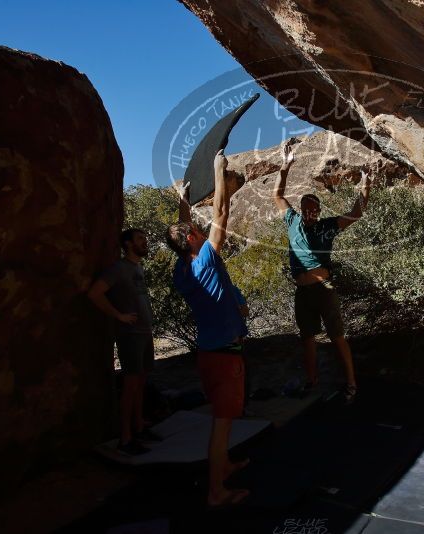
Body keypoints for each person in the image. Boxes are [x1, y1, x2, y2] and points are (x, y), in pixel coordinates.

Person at [165, 150, 250, 507]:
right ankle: (216, 492)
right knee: (222, 424)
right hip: (225, 357)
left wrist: (184, 201)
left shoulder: (183, 272)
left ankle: (225, 466)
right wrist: (220, 173)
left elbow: (182, 235)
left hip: (208, 354)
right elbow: (222, 213)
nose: (201, 231)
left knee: (223, 418)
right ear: (193, 240)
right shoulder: (206, 260)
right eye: (197, 231)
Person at [272, 140, 373, 403]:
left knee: (337, 336)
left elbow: (356, 213)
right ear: (301, 209)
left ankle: (351, 382)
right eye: (307, 209)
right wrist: (285, 167)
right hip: (302, 291)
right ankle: (312, 380)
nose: (310, 213)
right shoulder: (292, 220)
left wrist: (366, 185)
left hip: (323, 289)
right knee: (308, 338)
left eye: (314, 209)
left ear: (318, 211)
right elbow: (277, 196)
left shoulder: (327, 226)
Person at [88, 228, 157, 455]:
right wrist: (119, 316)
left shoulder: (137, 268)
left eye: (145, 239)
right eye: (140, 239)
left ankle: (139, 426)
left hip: (144, 333)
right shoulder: (118, 269)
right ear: (128, 244)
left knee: (141, 382)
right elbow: (95, 293)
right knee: (130, 386)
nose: (144, 242)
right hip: (130, 336)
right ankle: (125, 438)